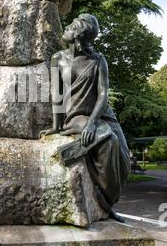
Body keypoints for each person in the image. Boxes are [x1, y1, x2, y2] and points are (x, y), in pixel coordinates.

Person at [40, 13, 131, 222]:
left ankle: (109, 200)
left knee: (123, 160)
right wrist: (56, 126)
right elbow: (57, 95)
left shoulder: (98, 60)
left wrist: (92, 124)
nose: (66, 28)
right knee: (109, 141)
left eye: (71, 27)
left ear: (78, 36)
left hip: (102, 116)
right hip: (76, 117)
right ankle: (106, 203)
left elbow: (103, 95)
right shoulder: (58, 59)